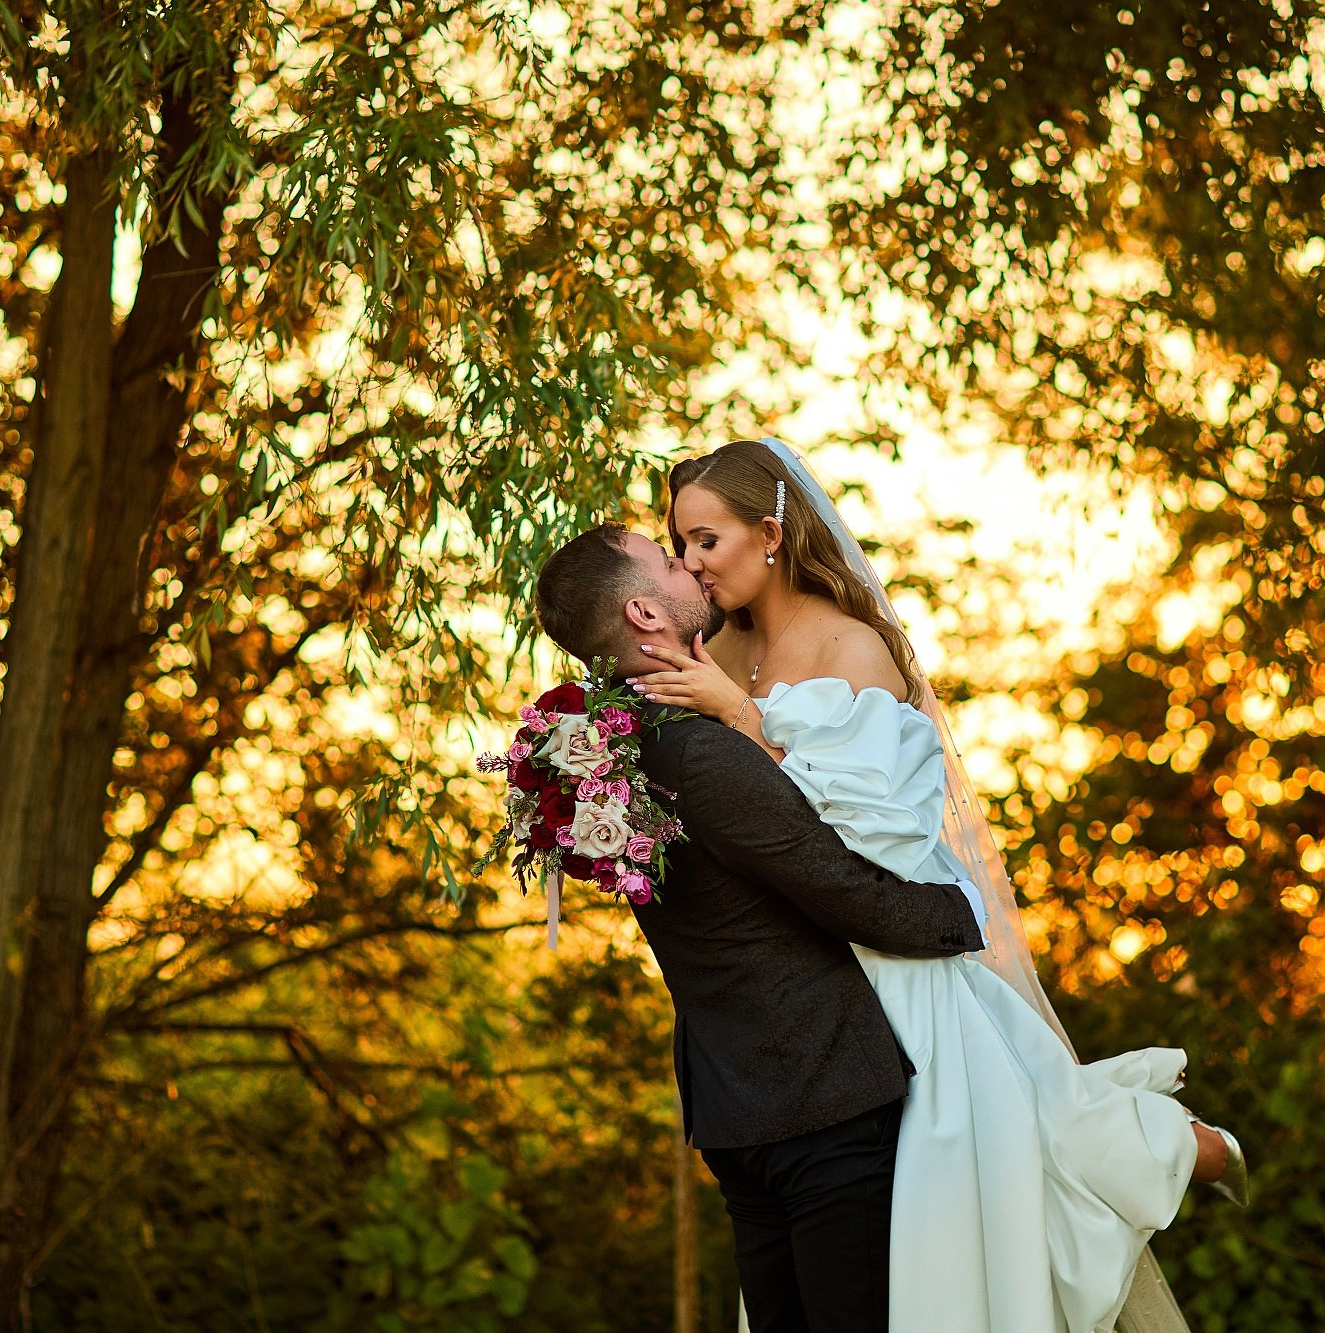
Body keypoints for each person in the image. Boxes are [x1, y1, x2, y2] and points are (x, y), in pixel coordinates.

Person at [630, 438, 1247, 1333]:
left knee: (994, 1162)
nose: (689, 564)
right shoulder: (715, 647)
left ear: (770, 533)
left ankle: (1189, 1150)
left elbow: (865, 833)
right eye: (676, 544)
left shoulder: (855, 647)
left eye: (705, 541)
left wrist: (739, 716)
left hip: (888, 954)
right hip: (798, 977)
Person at [532, 525, 986, 1333]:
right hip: (819, 1095)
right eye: (670, 561)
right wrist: (962, 913)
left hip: (733, 1103)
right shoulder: (697, 753)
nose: (691, 568)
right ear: (644, 610)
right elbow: (837, 884)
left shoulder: (615, 749)